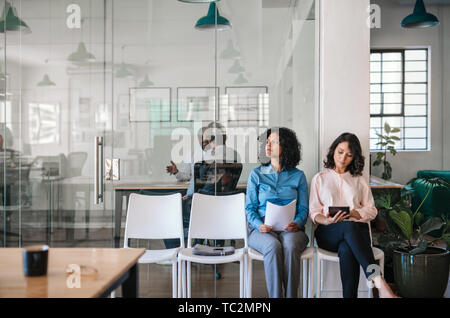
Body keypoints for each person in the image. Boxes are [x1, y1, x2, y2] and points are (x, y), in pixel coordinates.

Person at [309, 132, 398, 298]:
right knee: (348, 228)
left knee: (347, 247)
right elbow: (313, 212)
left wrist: (353, 213)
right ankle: (379, 282)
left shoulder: (359, 179)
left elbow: (372, 210)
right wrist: (326, 220)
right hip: (328, 233)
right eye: (340, 152)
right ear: (333, 151)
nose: (343, 158)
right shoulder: (320, 178)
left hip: (356, 234)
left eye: (349, 155)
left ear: (354, 157)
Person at [245, 127, 309, 298]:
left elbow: (304, 209)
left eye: (273, 142)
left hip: (291, 229)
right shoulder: (256, 175)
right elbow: (249, 209)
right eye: (267, 142)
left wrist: (298, 222)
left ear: (285, 146)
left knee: (290, 245)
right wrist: (259, 225)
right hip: (262, 228)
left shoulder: (299, 176)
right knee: (272, 246)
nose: (268, 145)